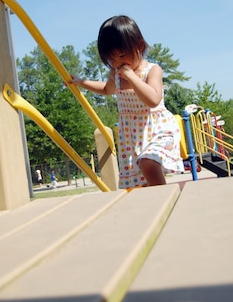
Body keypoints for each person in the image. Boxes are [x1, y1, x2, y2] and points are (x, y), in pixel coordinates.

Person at [69, 15, 184, 189]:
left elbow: (153, 99)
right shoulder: (115, 73)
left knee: (148, 163)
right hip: (132, 134)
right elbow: (107, 90)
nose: (118, 63)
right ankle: (154, 203)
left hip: (157, 128)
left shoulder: (152, 70)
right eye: (112, 59)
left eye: (122, 55)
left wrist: (131, 76)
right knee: (141, 180)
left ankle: (163, 197)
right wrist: (81, 82)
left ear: (139, 46)